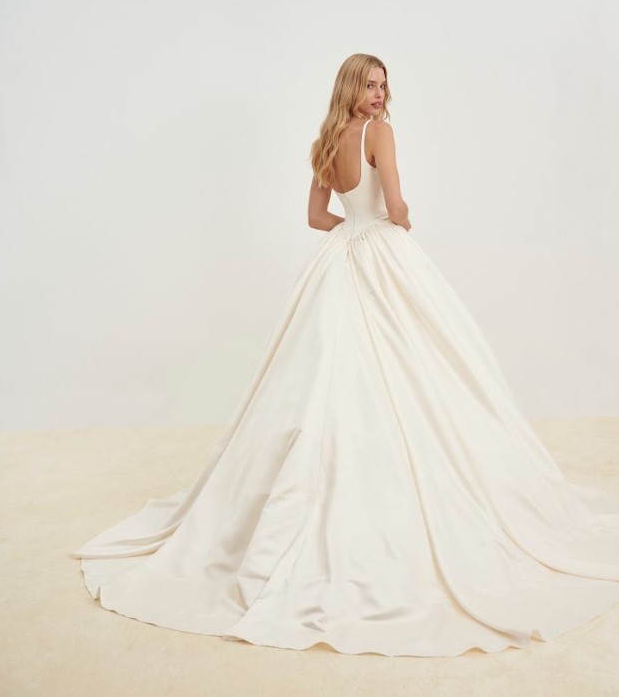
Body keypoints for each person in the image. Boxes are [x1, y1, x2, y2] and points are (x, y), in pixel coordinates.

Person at [72, 53, 619, 658]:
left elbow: (314, 217)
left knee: (320, 378)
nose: (380, 95)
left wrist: (352, 227)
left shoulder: (326, 138)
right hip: (383, 255)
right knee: (425, 375)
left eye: (384, 85)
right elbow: (399, 204)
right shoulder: (381, 134)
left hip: (340, 259)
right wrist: (395, 224)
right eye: (370, 85)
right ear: (352, 89)